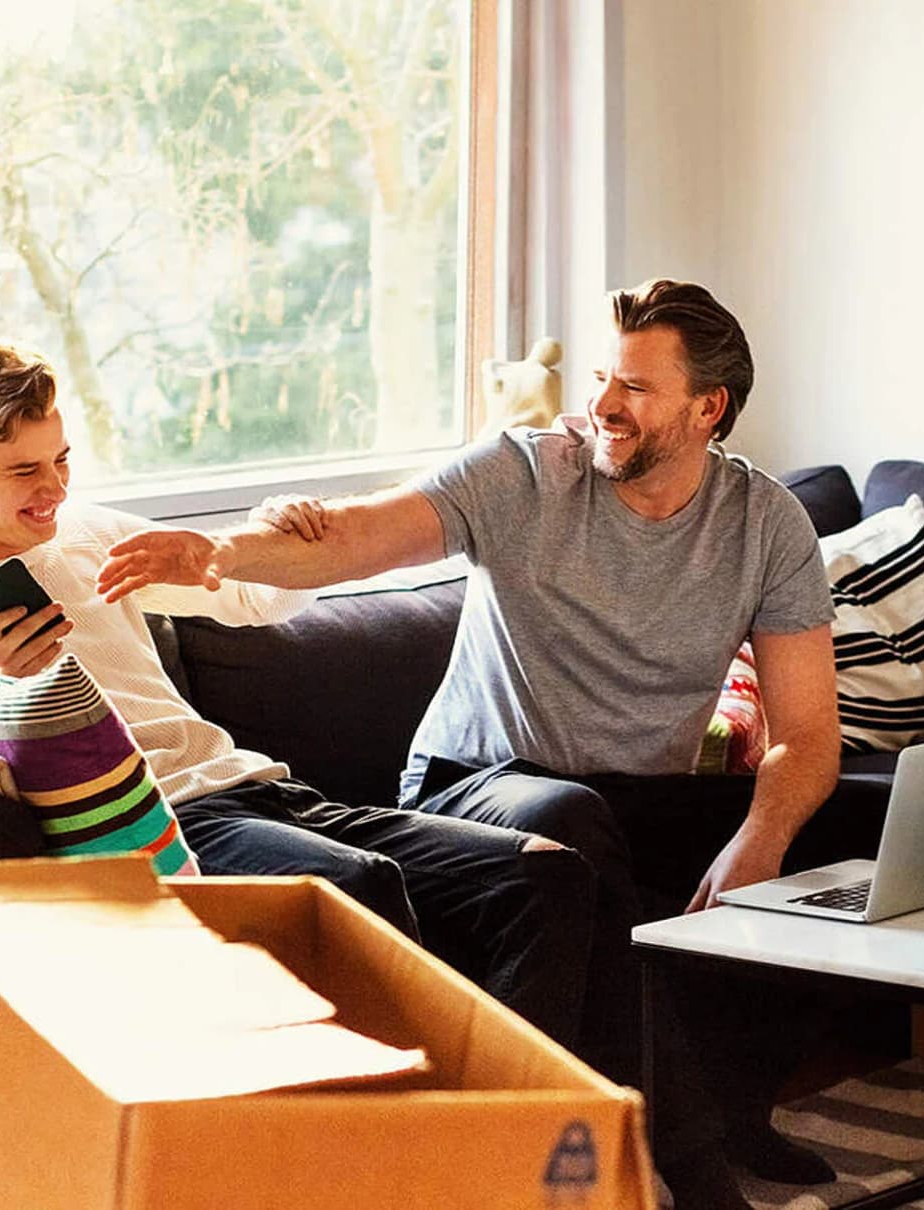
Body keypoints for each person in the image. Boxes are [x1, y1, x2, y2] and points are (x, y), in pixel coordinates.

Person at [95, 279, 844, 1207]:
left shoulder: (765, 522)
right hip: (481, 781)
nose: (604, 404)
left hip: (639, 792)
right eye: (603, 378)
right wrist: (218, 554)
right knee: (572, 822)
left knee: (836, 830)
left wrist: (759, 840)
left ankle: (736, 1111)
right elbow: (359, 537)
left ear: (708, 409)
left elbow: (807, 735)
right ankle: (669, 1163)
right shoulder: (526, 473)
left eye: (636, 388)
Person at [0, 342, 598, 1051]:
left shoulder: (86, 534)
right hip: (165, 826)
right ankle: (422, 1127)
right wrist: (11, 688)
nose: (54, 489)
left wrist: (277, 529)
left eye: (61, 460)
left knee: (545, 875)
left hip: (260, 792)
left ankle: (526, 1121)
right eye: (24, 470)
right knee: (357, 888)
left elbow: (256, 599)